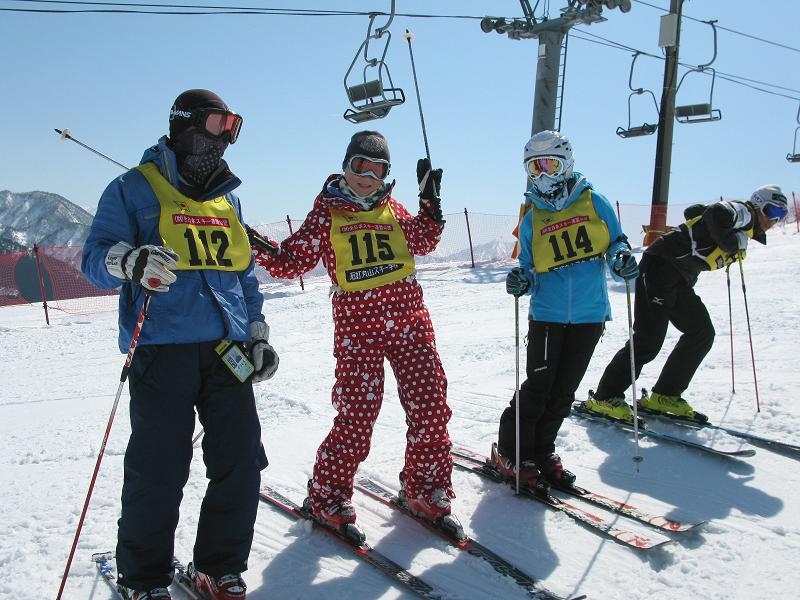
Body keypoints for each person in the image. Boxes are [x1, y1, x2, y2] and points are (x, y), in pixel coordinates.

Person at [81, 89, 278, 600]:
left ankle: (220, 565)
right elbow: (92, 257)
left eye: (234, 127)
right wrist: (130, 261)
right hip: (162, 347)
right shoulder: (132, 189)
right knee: (160, 466)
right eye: (219, 124)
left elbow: (244, 276)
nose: (226, 137)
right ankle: (144, 579)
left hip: (226, 352)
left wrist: (256, 333)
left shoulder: (226, 198)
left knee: (241, 458)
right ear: (186, 125)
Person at [249, 130, 455, 530]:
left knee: (430, 407)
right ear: (346, 165)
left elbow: (424, 240)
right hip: (358, 331)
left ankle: (425, 486)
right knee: (358, 414)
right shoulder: (329, 213)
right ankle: (328, 495)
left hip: (410, 323)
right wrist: (255, 241)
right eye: (361, 165)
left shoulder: (392, 208)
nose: (368, 176)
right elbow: (292, 262)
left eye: (378, 169)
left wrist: (430, 204)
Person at [491, 130, 638, 491]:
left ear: (567, 164)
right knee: (540, 386)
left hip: (589, 313)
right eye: (534, 168)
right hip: (547, 314)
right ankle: (511, 451)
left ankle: (542, 450)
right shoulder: (531, 217)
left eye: (549, 165)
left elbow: (616, 240)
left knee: (565, 389)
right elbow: (527, 263)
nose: (542, 175)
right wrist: (520, 279)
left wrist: (621, 257)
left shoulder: (593, 201)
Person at [586, 184, 789, 423]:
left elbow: (698, 215)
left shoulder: (744, 227)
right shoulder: (743, 212)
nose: (774, 219)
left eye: (781, 215)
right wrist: (726, 240)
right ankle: (605, 397)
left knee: (701, 332)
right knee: (648, 339)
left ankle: (666, 394)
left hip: (678, 278)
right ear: (757, 205)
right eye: (772, 211)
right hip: (659, 268)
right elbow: (717, 212)